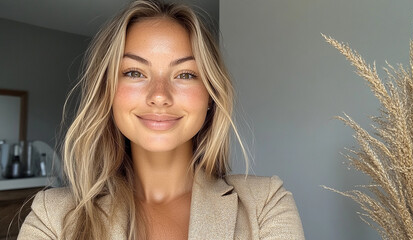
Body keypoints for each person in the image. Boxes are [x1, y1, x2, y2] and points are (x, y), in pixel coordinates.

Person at [18, 0, 305, 239]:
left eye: (185, 74)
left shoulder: (265, 204)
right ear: (106, 92)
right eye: (134, 72)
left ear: (210, 96)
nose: (159, 95)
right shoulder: (53, 217)